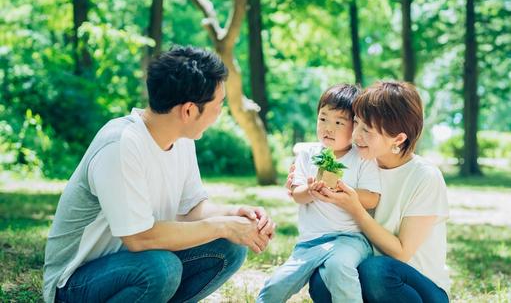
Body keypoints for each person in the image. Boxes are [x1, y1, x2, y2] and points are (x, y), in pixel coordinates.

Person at [43, 46, 276, 303]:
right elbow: (140, 238)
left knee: (229, 247)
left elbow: (191, 210)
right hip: (74, 284)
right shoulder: (121, 144)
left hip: (134, 264)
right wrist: (221, 226)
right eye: (218, 104)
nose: (221, 111)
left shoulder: (183, 139)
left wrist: (236, 215)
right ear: (188, 111)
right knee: (161, 268)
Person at [288, 81, 450, 302]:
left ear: (399, 139)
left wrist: (356, 209)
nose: (356, 136)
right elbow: (311, 152)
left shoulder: (425, 177)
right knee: (322, 279)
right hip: (366, 281)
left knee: (375, 270)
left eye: (368, 130)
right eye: (356, 123)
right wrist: (301, 180)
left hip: (419, 289)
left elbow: (402, 252)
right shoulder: (360, 163)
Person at [257, 84, 381, 303]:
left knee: (338, 267)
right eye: (323, 119)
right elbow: (296, 194)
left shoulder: (361, 157)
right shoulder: (307, 154)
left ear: (355, 126)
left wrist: (342, 189)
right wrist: (311, 190)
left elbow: (372, 198)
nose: (328, 128)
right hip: (310, 242)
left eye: (338, 122)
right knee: (277, 284)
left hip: (350, 239)